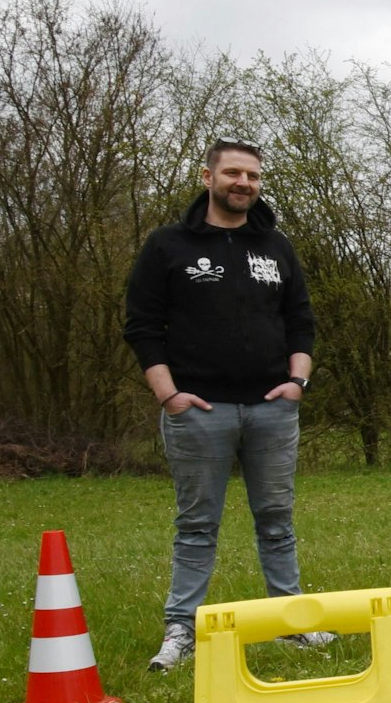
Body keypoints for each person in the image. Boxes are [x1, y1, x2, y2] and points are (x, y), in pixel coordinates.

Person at [124, 137, 330, 670]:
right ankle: (181, 629)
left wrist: (297, 382)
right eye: (234, 173)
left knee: (277, 520)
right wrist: (169, 395)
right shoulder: (168, 245)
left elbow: (301, 320)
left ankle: (290, 621)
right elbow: (142, 326)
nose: (244, 183)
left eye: (253, 176)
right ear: (208, 177)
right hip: (199, 412)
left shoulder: (276, 246)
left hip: (272, 409)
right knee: (197, 525)